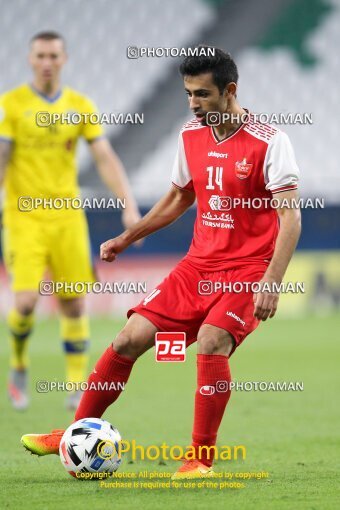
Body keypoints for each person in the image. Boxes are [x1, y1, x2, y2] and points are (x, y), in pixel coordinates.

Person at [21, 47, 301, 479]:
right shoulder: (190, 134)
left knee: (211, 341)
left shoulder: (270, 141)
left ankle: (201, 460)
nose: (193, 103)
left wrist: (272, 281)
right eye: (188, 94)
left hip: (247, 271)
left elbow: (290, 217)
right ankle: (74, 430)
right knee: (127, 339)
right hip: (197, 267)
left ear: (230, 91)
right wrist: (126, 238)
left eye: (202, 95)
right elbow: (178, 197)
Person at [0, 31, 140, 410]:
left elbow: (104, 157)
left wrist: (127, 204)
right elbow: (2, 157)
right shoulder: (11, 105)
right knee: (26, 301)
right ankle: (18, 367)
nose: (47, 62)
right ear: (31, 59)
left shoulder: (80, 105)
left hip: (67, 218)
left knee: (74, 304)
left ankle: (77, 384)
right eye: (41, 55)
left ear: (64, 60)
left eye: (54, 55)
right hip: (23, 218)